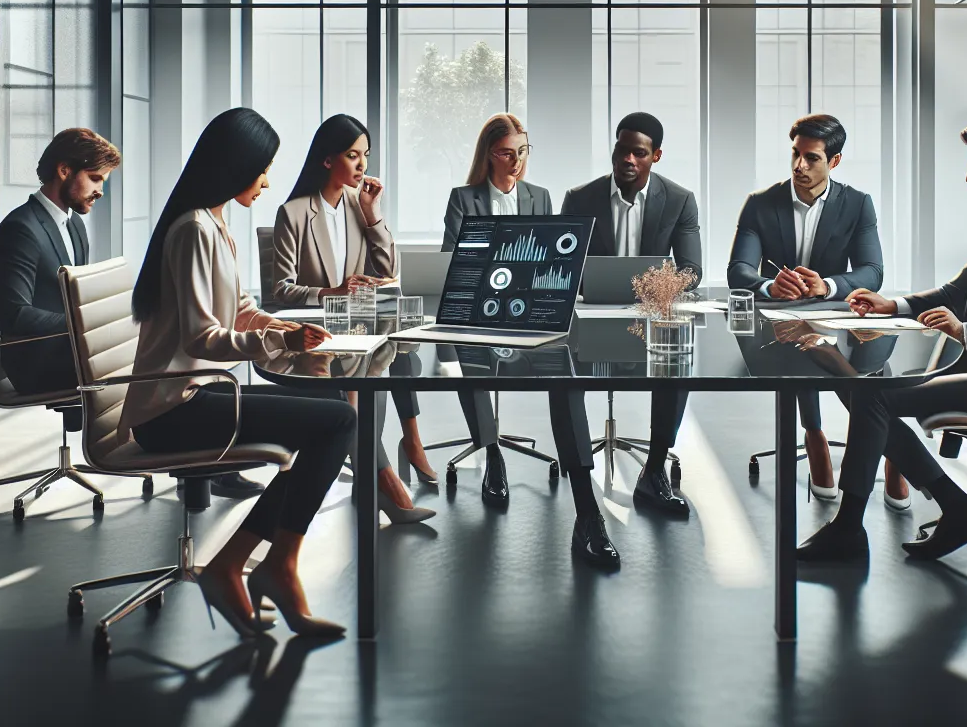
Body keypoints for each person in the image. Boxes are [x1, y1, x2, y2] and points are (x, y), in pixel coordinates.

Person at [124, 107, 359, 637]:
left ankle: (245, 562)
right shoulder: (192, 230)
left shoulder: (214, 221)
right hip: (174, 409)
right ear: (236, 166)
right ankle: (265, 565)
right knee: (338, 422)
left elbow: (240, 308)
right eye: (263, 168)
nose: (269, 181)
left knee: (331, 414)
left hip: (197, 397)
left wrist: (281, 326)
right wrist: (279, 339)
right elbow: (202, 338)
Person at [795, 117, 967, 565]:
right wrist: (895, 305)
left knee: (872, 396)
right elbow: (957, 292)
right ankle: (954, 508)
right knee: (859, 387)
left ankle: (851, 526)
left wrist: (964, 331)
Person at [725, 113, 909, 509]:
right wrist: (767, 285)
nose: (799, 166)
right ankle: (821, 435)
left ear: (834, 162)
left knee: (873, 351)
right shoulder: (760, 205)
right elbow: (738, 270)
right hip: (783, 323)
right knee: (810, 346)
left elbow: (871, 271)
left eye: (812, 158)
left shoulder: (857, 204)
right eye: (795, 155)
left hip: (835, 312)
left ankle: (886, 444)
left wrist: (827, 285)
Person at [269, 113, 440, 510]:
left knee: (398, 354)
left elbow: (388, 271)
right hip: (318, 331)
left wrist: (373, 214)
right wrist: (332, 291)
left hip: (361, 322)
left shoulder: (358, 204)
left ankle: (378, 474)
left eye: (365, 155)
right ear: (327, 160)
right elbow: (280, 289)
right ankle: (385, 481)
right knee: (380, 370)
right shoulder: (293, 213)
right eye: (352, 155)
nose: (363, 165)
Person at [558, 112, 701, 517]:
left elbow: (692, 270)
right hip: (590, 317)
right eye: (622, 150)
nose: (628, 160)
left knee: (677, 364)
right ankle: (582, 487)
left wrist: (653, 290)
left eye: (639, 152)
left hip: (648, 319)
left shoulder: (678, 200)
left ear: (655, 155)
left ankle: (654, 469)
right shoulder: (580, 198)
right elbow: (564, 264)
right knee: (561, 374)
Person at [440, 113, 554, 508]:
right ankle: (491, 452)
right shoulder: (464, 198)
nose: (516, 162)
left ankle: (575, 463)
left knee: (561, 358)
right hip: (477, 306)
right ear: (489, 155)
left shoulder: (539, 197)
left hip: (528, 307)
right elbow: (451, 259)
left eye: (522, 152)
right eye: (507, 154)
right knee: (469, 356)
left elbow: (551, 258)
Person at [0, 128, 119, 396]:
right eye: (95, 179)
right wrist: (88, 322)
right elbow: (15, 316)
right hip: (39, 362)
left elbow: (76, 297)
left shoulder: (75, 227)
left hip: (71, 350)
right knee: (144, 360)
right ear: (64, 171)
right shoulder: (20, 229)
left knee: (147, 350)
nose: (100, 191)